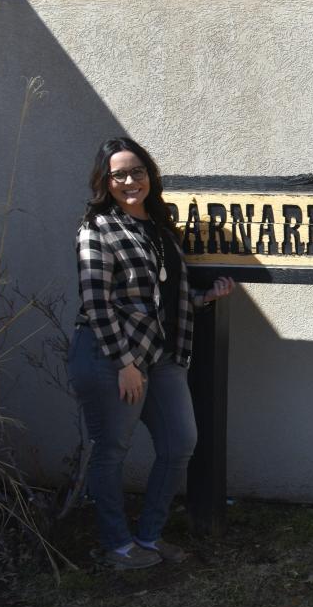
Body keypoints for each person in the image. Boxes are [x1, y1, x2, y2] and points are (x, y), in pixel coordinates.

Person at [68, 138, 235, 569]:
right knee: (112, 450)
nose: (129, 181)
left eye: (137, 172)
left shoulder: (158, 228)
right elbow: (96, 301)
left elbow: (159, 296)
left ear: (150, 176)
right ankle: (118, 546)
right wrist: (124, 363)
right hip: (111, 357)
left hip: (161, 357)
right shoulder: (97, 228)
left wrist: (204, 297)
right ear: (105, 181)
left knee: (181, 442)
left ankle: (148, 537)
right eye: (119, 174)